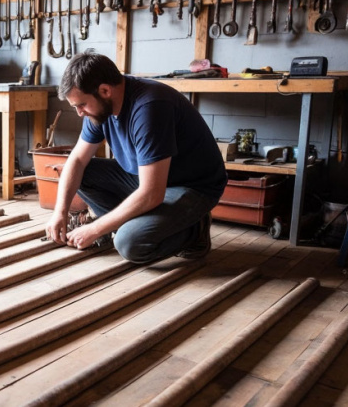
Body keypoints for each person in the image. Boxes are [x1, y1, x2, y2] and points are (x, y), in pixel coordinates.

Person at [44, 50, 227, 263]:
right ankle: (133, 224)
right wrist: (60, 212)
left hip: (192, 188)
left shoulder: (150, 107)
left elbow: (151, 193)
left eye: (81, 105)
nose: (79, 113)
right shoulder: (100, 108)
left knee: (129, 243)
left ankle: (195, 230)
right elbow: (76, 161)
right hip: (148, 179)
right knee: (81, 172)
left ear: (104, 90)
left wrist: (95, 228)